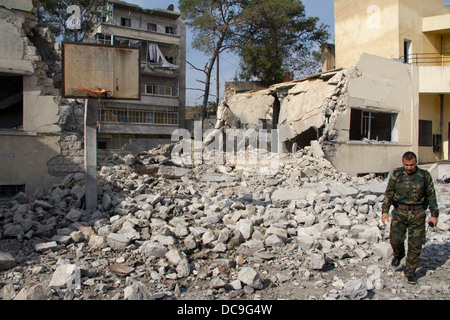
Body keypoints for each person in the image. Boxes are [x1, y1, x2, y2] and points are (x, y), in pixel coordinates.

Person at [381, 151, 439, 285]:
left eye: (412, 165)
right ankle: (399, 255)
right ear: (403, 163)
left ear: (416, 163)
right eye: (406, 165)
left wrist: (434, 215)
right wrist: (385, 210)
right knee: (395, 240)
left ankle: (410, 271)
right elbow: (389, 193)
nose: (409, 167)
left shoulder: (424, 176)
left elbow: (431, 196)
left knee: (415, 245)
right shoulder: (397, 174)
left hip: (417, 214)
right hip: (399, 213)